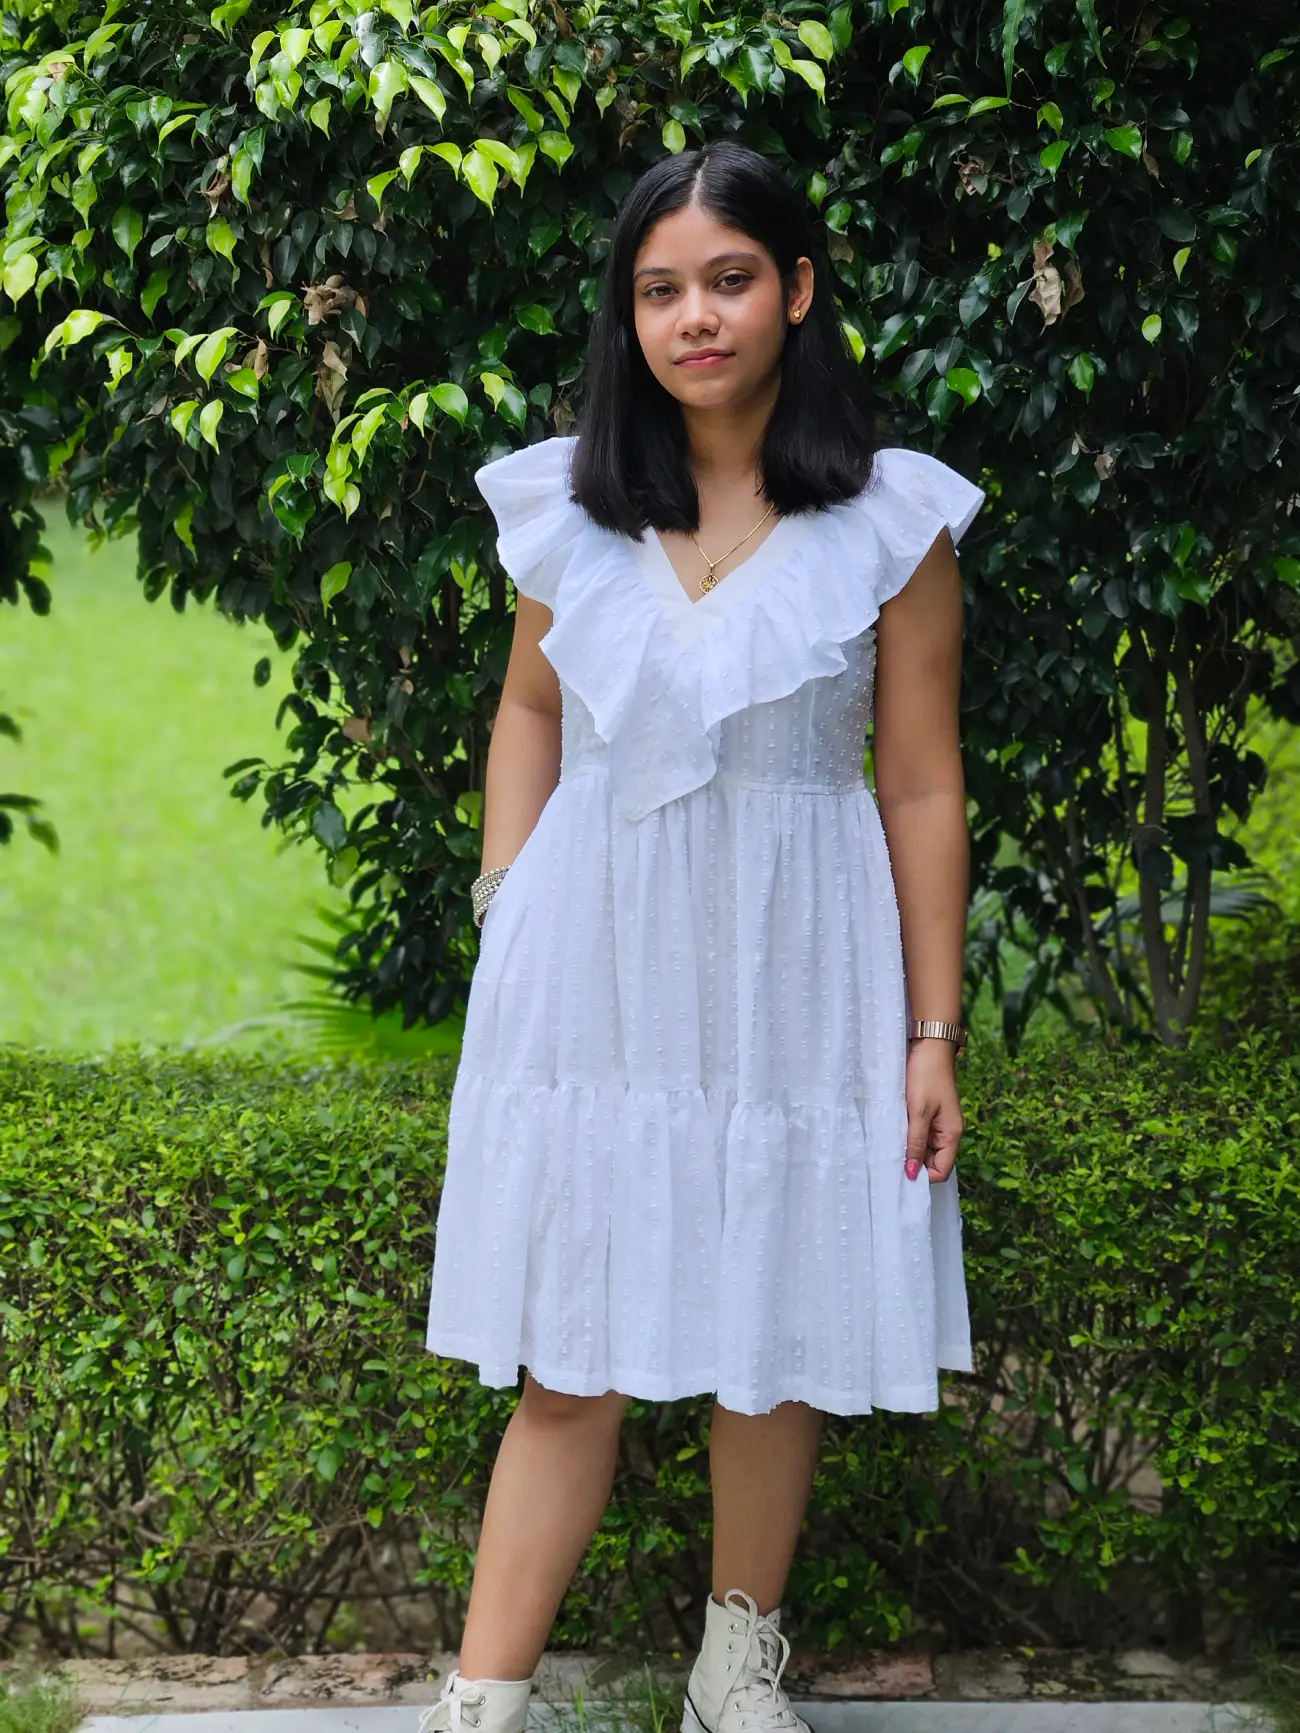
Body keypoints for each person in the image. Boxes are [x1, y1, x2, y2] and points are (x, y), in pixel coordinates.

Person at [422, 136, 983, 1733]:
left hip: (799, 967)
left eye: (729, 280)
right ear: (630, 319)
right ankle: (484, 1695)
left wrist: (931, 1034)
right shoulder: (567, 509)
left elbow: (925, 787)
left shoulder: (892, 526)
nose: (696, 318)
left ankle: (738, 1663)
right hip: (590, 965)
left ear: (795, 293)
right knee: (564, 1349)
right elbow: (527, 711)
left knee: (778, 1330)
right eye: (660, 290)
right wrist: (506, 901)